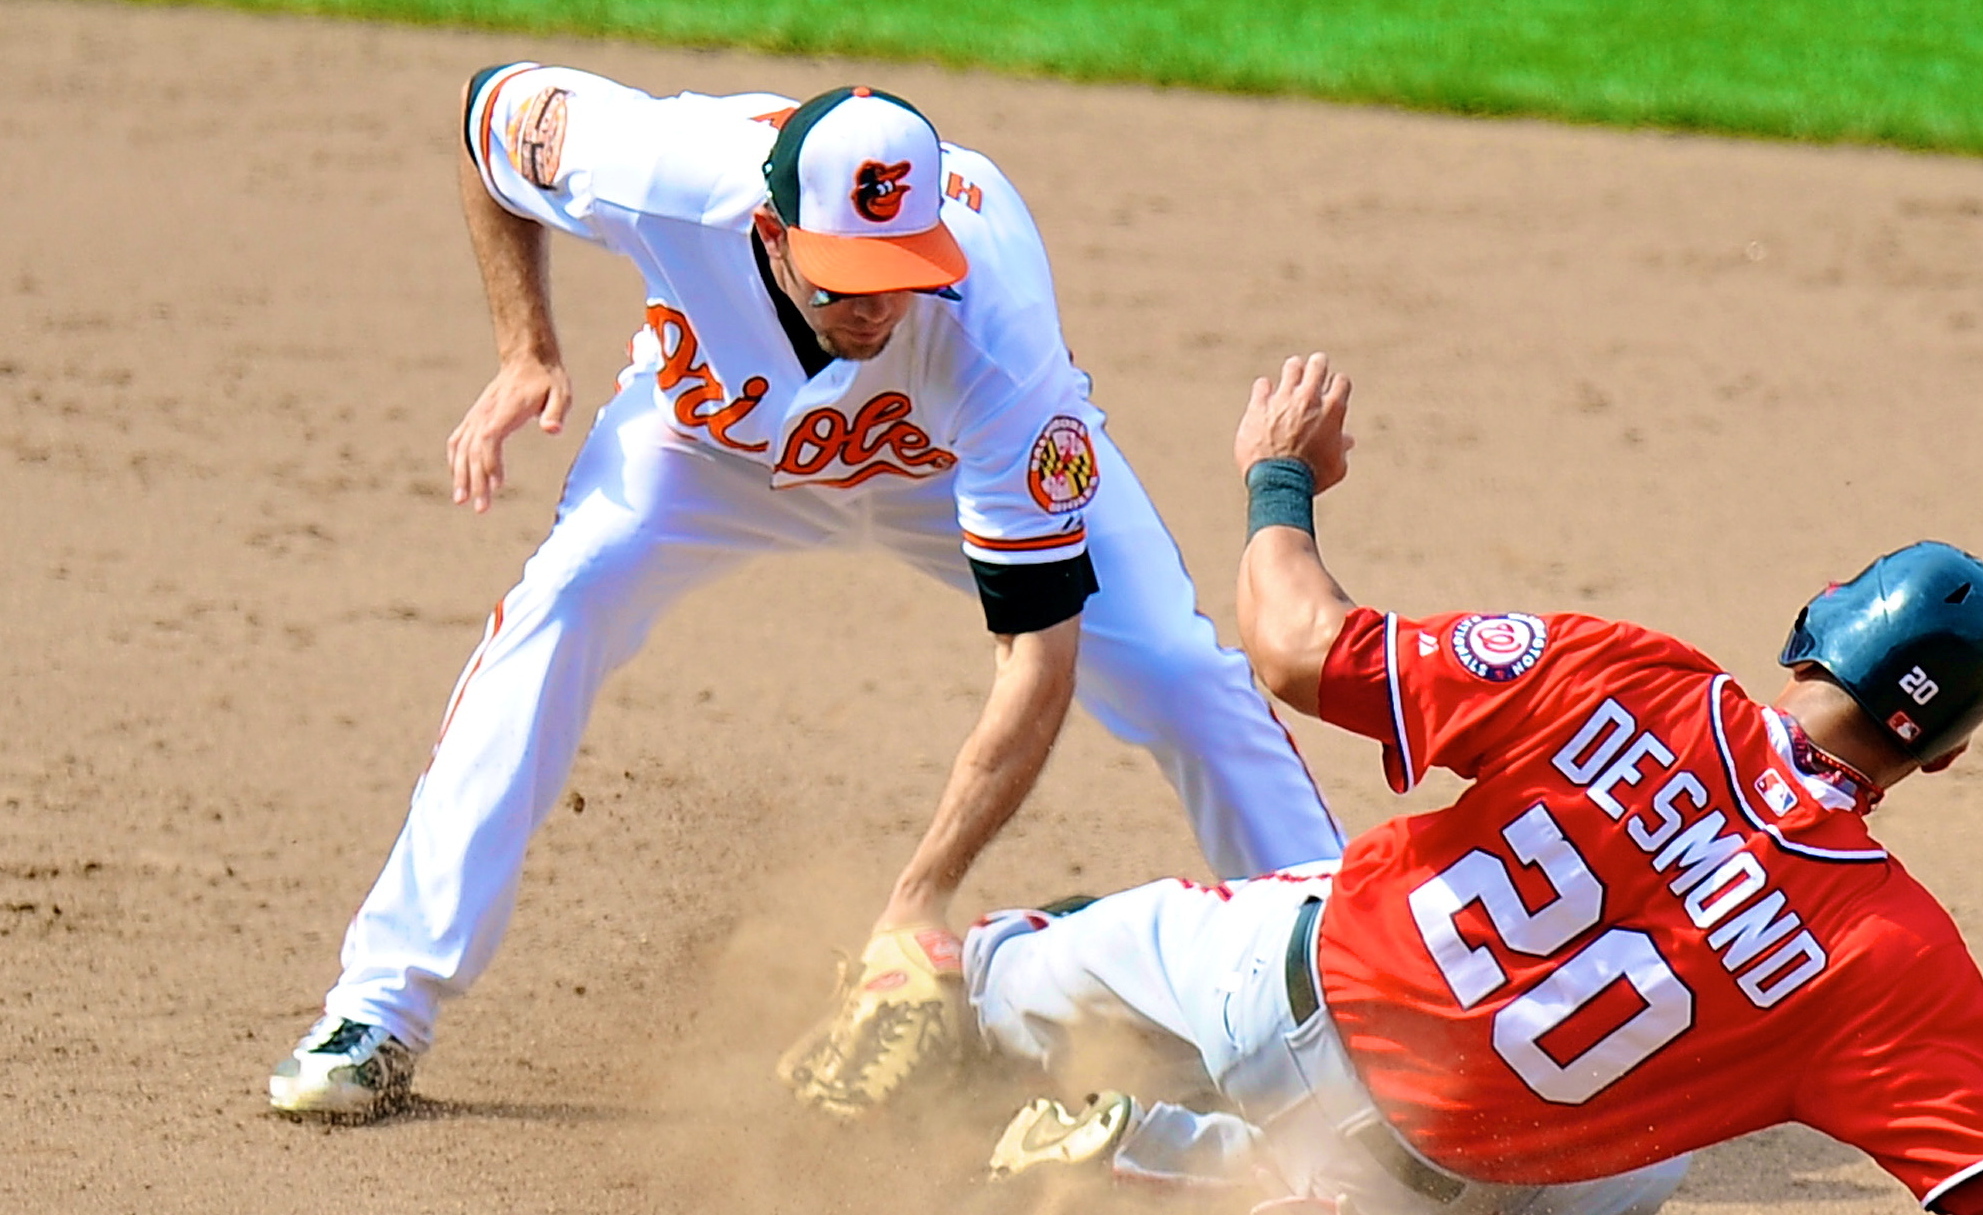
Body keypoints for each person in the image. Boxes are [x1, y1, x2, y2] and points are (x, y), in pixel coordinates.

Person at [953, 352, 1983, 1215]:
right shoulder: (1887, 954)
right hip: (1405, 1153)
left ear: (1811, 627)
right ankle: (1212, 1175)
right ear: (1941, 753)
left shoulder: (1621, 670)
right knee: (1640, 1163)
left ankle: (978, 991)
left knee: (1002, 967)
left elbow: (1297, 648)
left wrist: (1280, 477)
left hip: (1265, 965)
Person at [266, 69, 1340, 1120]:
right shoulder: (659, 173)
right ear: (771, 234)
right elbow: (484, 123)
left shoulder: (995, 329)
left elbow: (1037, 660)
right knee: (562, 602)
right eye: (842, 277)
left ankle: (1354, 988)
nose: (875, 305)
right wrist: (523, 346)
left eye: (898, 272)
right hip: (704, 452)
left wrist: (914, 901)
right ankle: (380, 1009)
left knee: (1180, 676)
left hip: (945, 470)